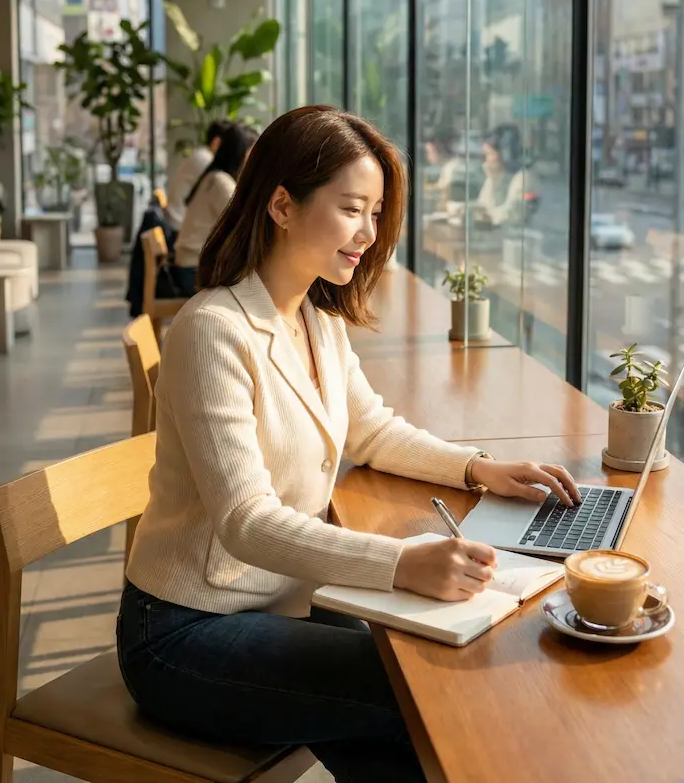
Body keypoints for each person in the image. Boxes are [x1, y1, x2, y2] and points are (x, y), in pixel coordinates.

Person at [118, 105, 581, 782]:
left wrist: (480, 468)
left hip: (281, 600)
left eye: (375, 213)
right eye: (351, 209)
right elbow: (246, 522)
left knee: (416, 689)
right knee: (420, 696)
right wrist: (405, 561)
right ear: (281, 204)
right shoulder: (212, 329)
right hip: (184, 631)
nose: (367, 234)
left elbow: (373, 430)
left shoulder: (313, 314)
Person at [170, 123, 257, 296]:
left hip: (189, 266)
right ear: (239, 154)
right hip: (194, 273)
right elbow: (245, 225)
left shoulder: (213, 177)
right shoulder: (220, 183)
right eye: (252, 154)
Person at [165, 120, 229, 231]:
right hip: (178, 226)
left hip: (175, 220)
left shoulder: (200, 155)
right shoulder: (206, 161)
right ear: (217, 143)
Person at [475, 126, 537, 228]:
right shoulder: (496, 175)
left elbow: (513, 215)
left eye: (488, 154)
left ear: (505, 154)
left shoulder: (523, 178)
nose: (485, 160)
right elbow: (483, 205)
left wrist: (486, 216)